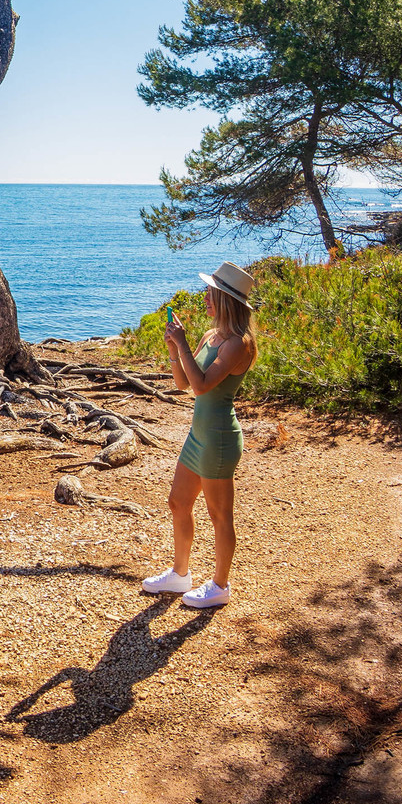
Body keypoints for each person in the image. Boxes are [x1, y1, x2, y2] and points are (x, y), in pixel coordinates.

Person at [142, 261, 258, 611]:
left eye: (210, 293)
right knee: (178, 502)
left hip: (219, 438)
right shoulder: (211, 336)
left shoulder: (239, 344)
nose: (205, 298)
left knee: (219, 514)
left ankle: (220, 586)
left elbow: (203, 385)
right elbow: (184, 383)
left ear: (226, 300)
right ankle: (180, 574)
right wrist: (174, 348)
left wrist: (182, 343)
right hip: (199, 435)